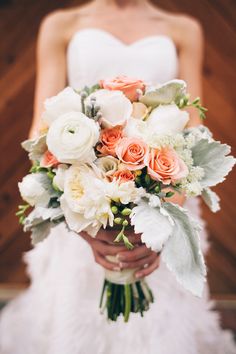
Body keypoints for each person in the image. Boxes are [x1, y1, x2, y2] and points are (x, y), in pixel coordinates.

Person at [0, 1, 235, 353]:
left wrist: (165, 217)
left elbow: (192, 130)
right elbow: (43, 130)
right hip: (83, 192)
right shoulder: (61, 24)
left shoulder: (184, 28)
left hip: (164, 190)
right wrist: (82, 218)